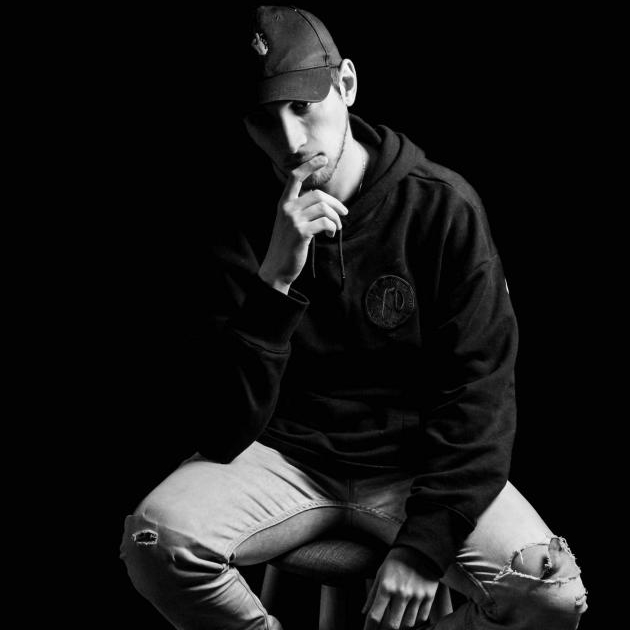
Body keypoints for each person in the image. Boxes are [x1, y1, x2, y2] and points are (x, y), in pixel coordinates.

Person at [120, 6, 588, 629]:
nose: (290, 140)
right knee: (153, 542)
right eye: (264, 119)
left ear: (345, 84)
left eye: (302, 107)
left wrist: (424, 546)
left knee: (550, 596)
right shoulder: (228, 219)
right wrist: (275, 281)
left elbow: (482, 394)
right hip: (281, 457)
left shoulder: (442, 207)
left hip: (414, 465)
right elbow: (221, 428)